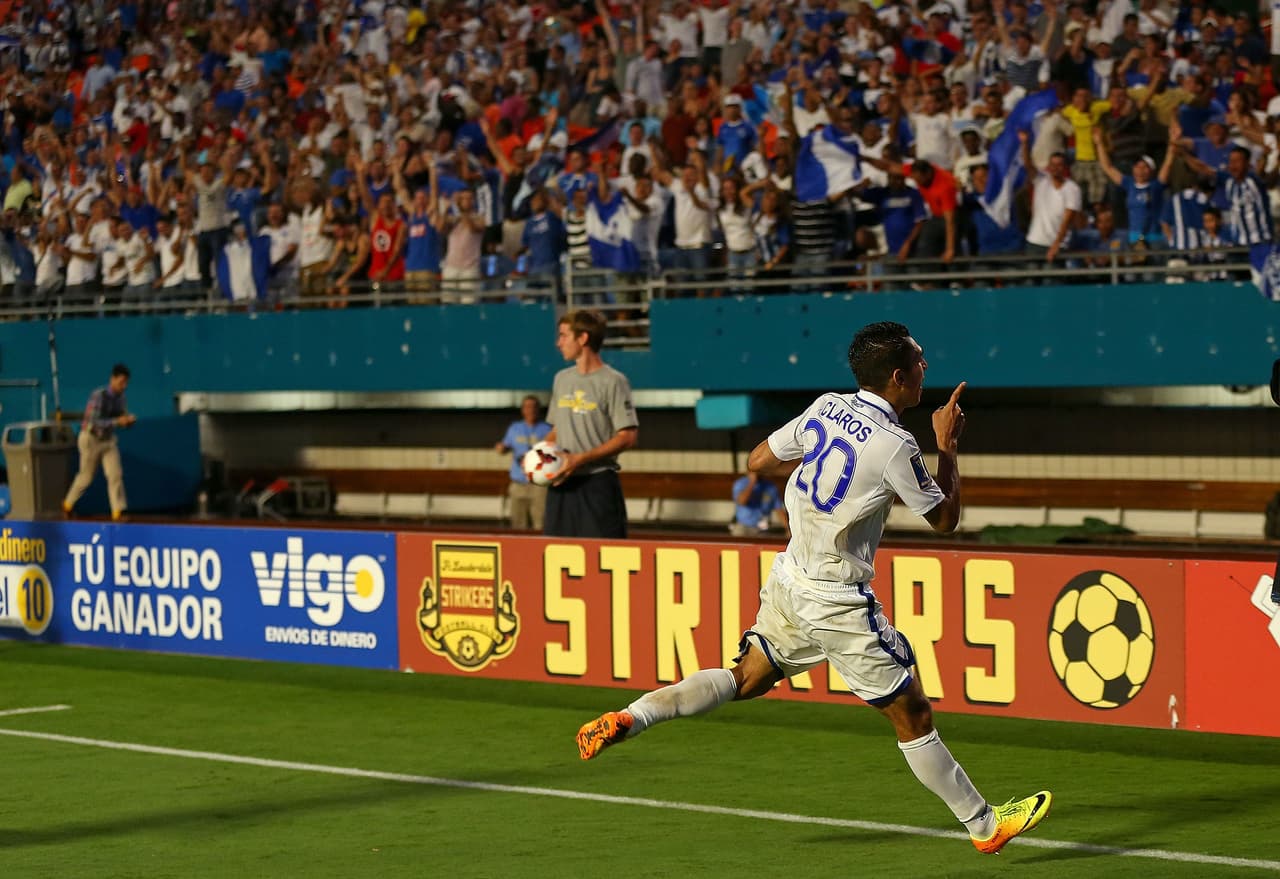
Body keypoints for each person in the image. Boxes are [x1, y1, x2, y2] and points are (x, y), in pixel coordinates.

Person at [575, 321, 1051, 855]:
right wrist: (948, 446)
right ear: (898, 378)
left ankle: (634, 716)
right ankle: (985, 826)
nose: (925, 368)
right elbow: (945, 520)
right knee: (912, 713)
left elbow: (758, 460)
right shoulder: (897, 445)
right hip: (838, 601)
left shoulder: (826, 406)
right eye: (919, 362)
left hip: (790, 580)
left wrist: (819, 473)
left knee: (744, 678)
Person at [544, 310, 638, 538]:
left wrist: (580, 459)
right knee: (555, 552)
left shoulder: (614, 381)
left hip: (597, 484)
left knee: (602, 553)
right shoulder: (561, 379)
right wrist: (539, 456)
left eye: (563, 336)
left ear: (583, 338)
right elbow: (557, 430)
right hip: (561, 484)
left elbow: (627, 437)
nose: (558, 343)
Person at [63, 363, 136, 521]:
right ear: (113, 379)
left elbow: (120, 417)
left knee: (115, 474)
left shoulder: (121, 398)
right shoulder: (99, 396)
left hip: (108, 440)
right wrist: (117, 421)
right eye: (121, 382)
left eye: (126, 383)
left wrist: (128, 421)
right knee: (86, 477)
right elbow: (93, 423)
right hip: (91, 438)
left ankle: (118, 512)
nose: (124, 386)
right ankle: (67, 504)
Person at [495, 395, 552, 530]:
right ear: (522, 410)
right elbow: (505, 446)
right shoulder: (515, 428)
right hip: (518, 482)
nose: (530, 410)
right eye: (527, 407)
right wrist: (501, 448)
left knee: (540, 522)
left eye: (533, 407)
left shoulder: (547, 429)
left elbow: (553, 453)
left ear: (538, 409)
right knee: (518, 523)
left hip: (539, 484)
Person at [728, 471, 787, 537]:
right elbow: (742, 501)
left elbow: (779, 510)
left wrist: (788, 528)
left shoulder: (771, 487)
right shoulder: (740, 484)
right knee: (738, 535)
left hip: (763, 527)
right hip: (742, 525)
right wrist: (752, 483)